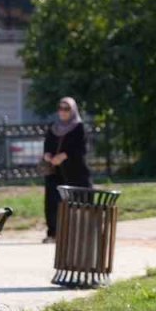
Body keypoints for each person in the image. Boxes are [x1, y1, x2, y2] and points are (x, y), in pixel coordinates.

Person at [41, 97, 91, 243]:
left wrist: (64, 155)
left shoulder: (79, 127)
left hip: (74, 172)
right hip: (54, 172)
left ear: (73, 110)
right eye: (60, 108)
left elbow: (81, 149)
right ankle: (54, 233)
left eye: (66, 109)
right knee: (52, 203)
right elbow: (47, 145)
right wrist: (48, 155)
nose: (62, 112)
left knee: (78, 203)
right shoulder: (53, 127)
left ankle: (79, 234)